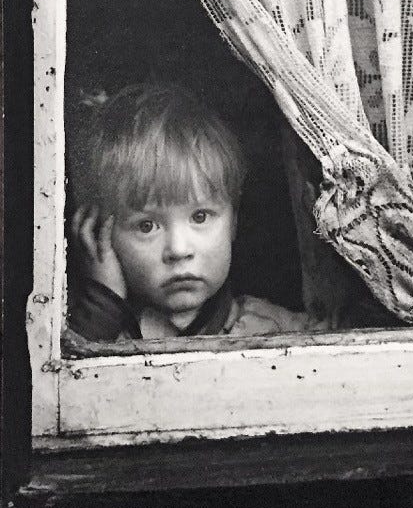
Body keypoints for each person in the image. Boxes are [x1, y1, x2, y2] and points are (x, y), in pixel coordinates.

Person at [69, 84, 326, 341]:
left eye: (200, 217)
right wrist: (103, 305)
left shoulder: (276, 329)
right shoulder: (102, 333)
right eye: (146, 226)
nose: (179, 251)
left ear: (233, 222)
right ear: (100, 233)